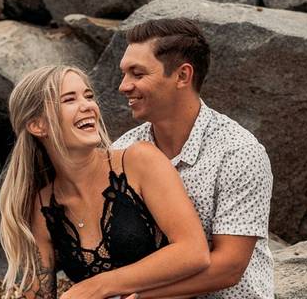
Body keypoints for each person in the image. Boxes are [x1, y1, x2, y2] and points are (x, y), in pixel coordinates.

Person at [0, 65, 210, 299]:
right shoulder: (43, 206)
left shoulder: (138, 161)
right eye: (69, 100)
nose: (88, 105)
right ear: (38, 125)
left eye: (89, 96)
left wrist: (97, 286)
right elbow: (38, 294)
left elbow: (193, 251)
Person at [112, 18, 274, 299]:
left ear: (182, 76)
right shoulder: (122, 150)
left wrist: (134, 294)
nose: (123, 86)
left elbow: (230, 267)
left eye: (137, 74)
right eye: (125, 74)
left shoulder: (239, 151)